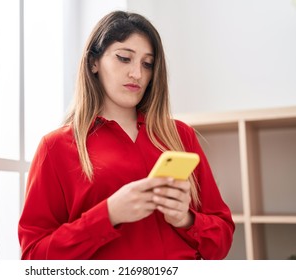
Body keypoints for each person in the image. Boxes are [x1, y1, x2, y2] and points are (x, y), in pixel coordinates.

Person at [18, 10, 235, 260]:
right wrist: (108, 215)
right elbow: (34, 257)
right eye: (124, 58)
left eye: (147, 64)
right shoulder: (55, 147)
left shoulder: (179, 136)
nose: (137, 74)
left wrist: (185, 219)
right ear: (93, 62)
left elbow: (222, 239)